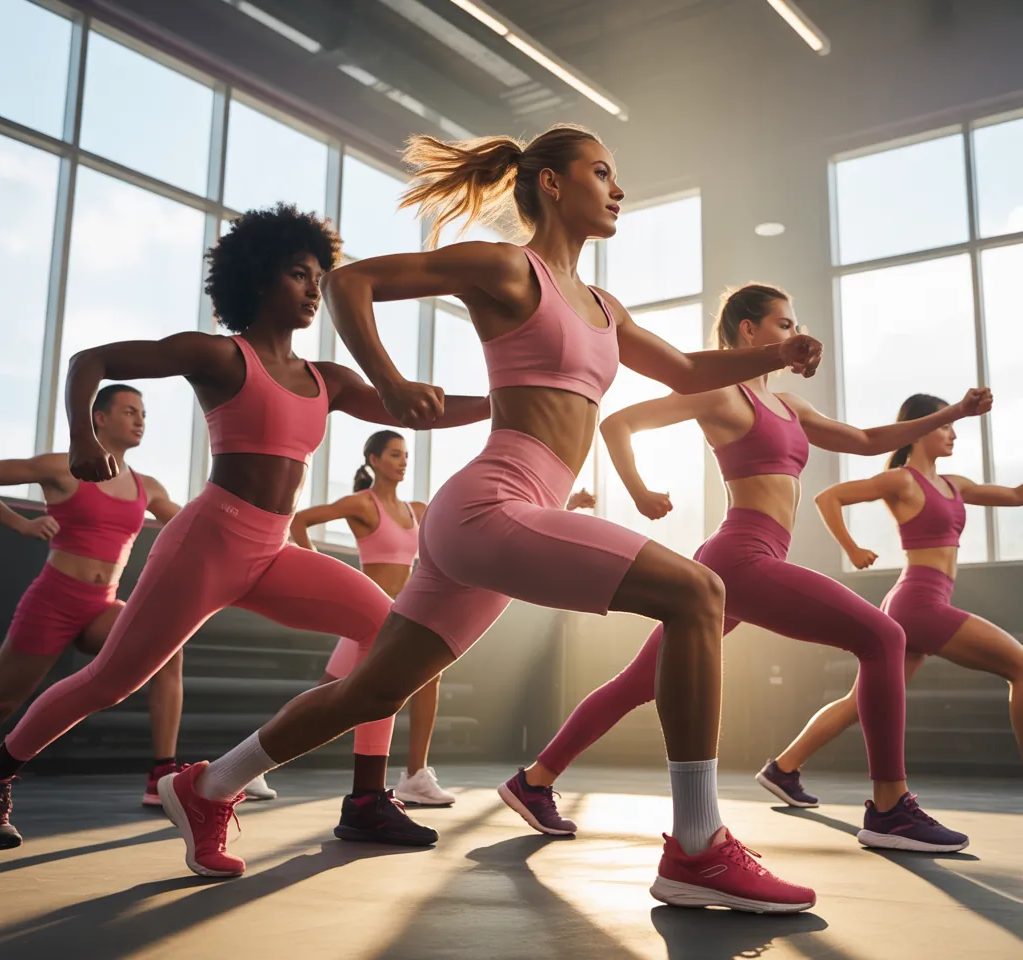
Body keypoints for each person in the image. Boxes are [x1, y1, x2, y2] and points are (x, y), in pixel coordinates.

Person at [159, 126, 824, 914]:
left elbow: (684, 369)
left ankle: (208, 785)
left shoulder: (606, 307)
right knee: (698, 594)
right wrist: (394, 382)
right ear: (549, 183)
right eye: (602, 173)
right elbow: (351, 285)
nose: (618, 189)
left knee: (371, 692)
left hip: (502, 516)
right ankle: (698, 847)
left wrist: (771, 359)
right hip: (491, 503)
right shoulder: (508, 266)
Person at [0, 203, 490, 852]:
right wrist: (82, 437)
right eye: (298, 274)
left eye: (320, 278)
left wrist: (516, 401)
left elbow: (423, 411)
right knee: (113, 680)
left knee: (386, 633)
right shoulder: (218, 357)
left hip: (271, 549)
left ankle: (368, 800)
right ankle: (2, 769)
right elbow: (89, 360)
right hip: (205, 547)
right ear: (259, 280)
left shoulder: (329, 381)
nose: (315, 289)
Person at [502, 284, 989, 855]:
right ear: (748, 332)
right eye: (782, 324)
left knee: (639, 683)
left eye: (794, 323)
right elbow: (619, 425)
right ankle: (889, 809)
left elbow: (864, 440)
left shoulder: (790, 406)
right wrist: (639, 492)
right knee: (884, 634)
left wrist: (955, 412)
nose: (793, 333)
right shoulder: (723, 395)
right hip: (742, 556)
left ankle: (533, 781)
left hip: (740, 560)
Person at [291, 429, 596, 808]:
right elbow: (299, 521)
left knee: (429, 676)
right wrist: (329, 574)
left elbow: (484, 525)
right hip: (366, 616)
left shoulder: (417, 510)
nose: (403, 462)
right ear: (374, 461)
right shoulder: (362, 504)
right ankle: (251, 766)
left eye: (405, 455)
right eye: (394, 455)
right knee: (326, 697)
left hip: (400, 614)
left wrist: (567, 504)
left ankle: (415, 776)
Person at [764, 392, 1022, 792]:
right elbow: (828, 497)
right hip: (919, 604)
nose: (953, 433)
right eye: (944, 424)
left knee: (858, 703)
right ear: (918, 431)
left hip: (918, 604)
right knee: (1019, 665)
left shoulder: (956, 485)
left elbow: (1017, 496)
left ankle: (782, 769)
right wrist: (851, 549)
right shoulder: (902, 480)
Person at [0, 384, 183, 824]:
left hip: (102, 607)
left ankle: (161, 775)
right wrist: (21, 525)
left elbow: (197, 524)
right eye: (129, 411)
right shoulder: (61, 468)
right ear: (99, 418)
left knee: (169, 646)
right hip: (54, 600)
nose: (140, 420)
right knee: (4, 701)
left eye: (144, 414)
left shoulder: (148, 486)